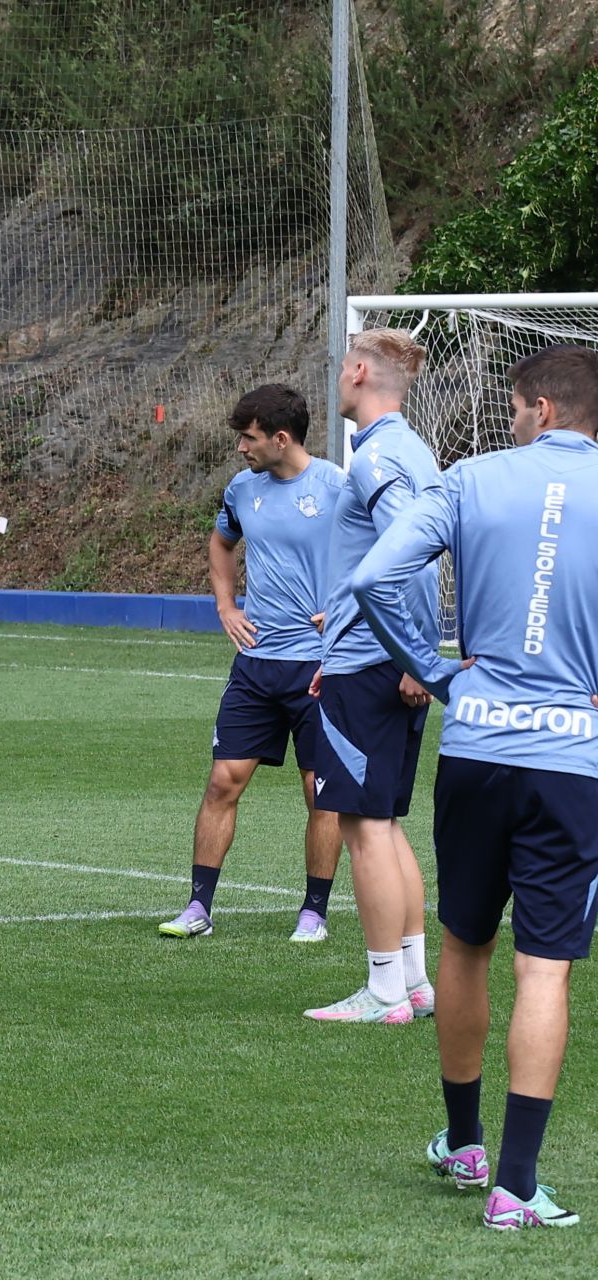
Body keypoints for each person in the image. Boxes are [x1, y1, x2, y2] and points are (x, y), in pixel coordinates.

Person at [352, 343, 598, 1229]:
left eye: (517, 408)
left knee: (465, 946)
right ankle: (516, 1186)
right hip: (572, 760)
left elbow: (373, 577)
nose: (513, 420)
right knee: (545, 968)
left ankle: (465, 1145)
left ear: (542, 407)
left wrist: (433, 670)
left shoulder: (469, 479)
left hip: (479, 744)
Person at [159, 385, 344, 942]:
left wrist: (346, 610)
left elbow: (385, 553)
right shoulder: (242, 489)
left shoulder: (338, 487)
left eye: (249, 437)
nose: (241, 448)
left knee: (321, 791)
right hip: (256, 663)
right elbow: (221, 544)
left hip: (319, 667)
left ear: (280, 439)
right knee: (222, 782)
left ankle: (314, 912)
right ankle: (198, 906)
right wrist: (225, 605)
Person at [303, 329, 444, 1024]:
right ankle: (413, 984)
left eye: (341, 366)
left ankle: (385, 991)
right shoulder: (411, 449)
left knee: (363, 829)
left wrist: (416, 657)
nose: (337, 378)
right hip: (377, 657)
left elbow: (407, 557)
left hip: (374, 666)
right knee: (383, 826)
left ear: (359, 371)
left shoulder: (378, 456)